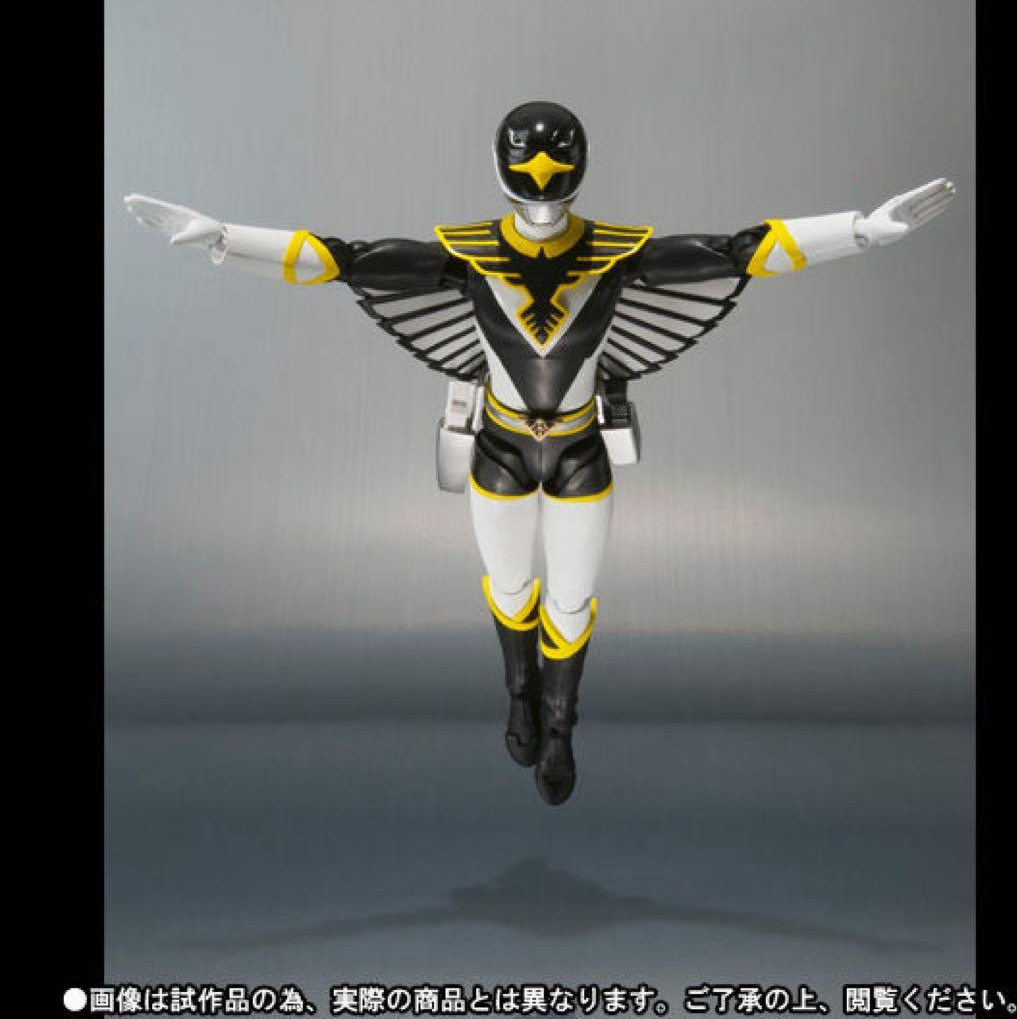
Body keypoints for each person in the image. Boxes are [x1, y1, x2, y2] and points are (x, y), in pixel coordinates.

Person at [125, 100, 955, 805]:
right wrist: (223, 238)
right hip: (500, 443)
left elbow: (740, 250)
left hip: (580, 445)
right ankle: (521, 695)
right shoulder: (469, 255)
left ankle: (560, 726)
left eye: (556, 167)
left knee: (571, 600)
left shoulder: (616, 254)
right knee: (514, 588)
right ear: (504, 171)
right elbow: (347, 260)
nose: (544, 183)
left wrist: (862, 231)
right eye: (531, 167)